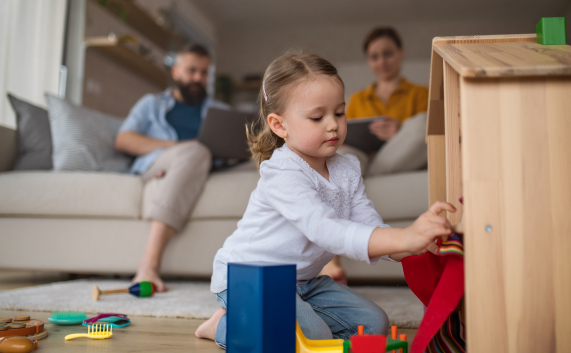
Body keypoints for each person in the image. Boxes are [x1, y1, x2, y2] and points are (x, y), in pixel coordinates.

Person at [194, 52, 455, 348]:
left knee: (374, 325)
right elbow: (326, 230)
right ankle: (222, 325)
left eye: (340, 113)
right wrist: (406, 237)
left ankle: (270, 319)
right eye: (318, 117)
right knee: (312, 339)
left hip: (303, 281)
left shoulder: (348, 168)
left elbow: (369, 224)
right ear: (280, 126)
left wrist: (417, 243)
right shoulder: (282, 172)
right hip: (248, 279)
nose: (333, 125)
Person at [114, 44, 229, 292]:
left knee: (272, 159)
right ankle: (148, 266)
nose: (199, 78)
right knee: (196, 151)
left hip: (205, 164)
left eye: (204, 72)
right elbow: (124, 139)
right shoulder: (151, 104)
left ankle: (318, 262)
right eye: (192, 71)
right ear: (176, 72)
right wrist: (175, 146)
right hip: (160, 161)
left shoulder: (219, 111)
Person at [321, 27, 429, 283]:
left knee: (422, 123)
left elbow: (421, 140)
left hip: (398, 157)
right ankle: (331, 259)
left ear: (401, 53)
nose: (382, 61)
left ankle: (352, 176)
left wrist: (399, 132)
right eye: (375, 56)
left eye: (388, 54)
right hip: (362, 158)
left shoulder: (421, 94)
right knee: (344, 156)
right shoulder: (357, 99)